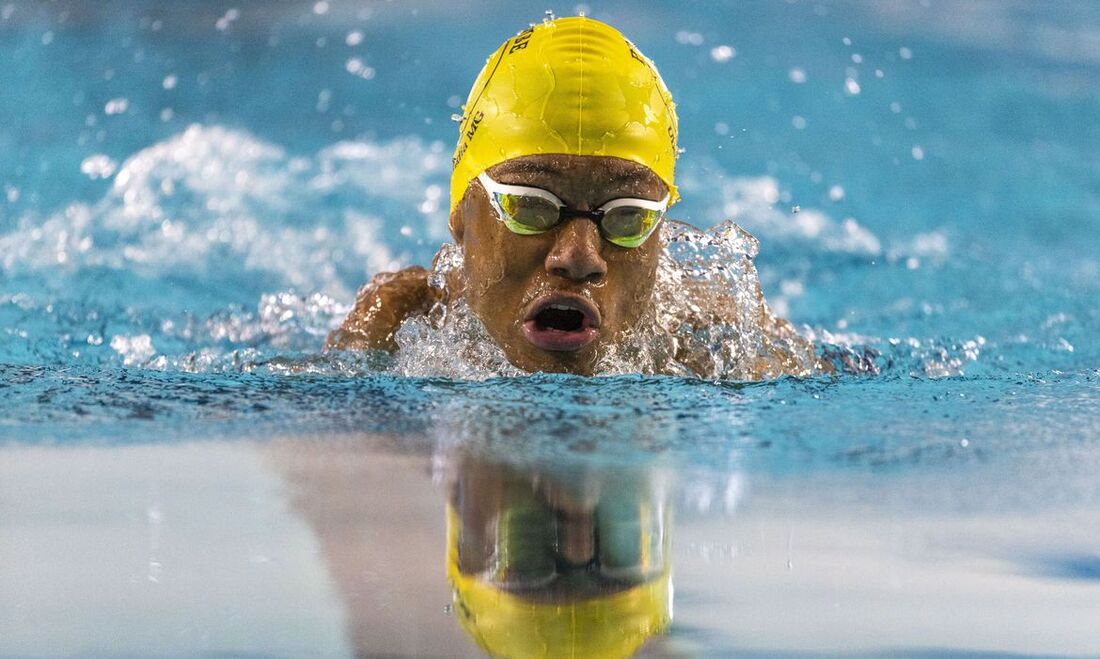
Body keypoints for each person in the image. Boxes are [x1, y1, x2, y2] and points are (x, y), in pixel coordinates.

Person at [327, 16, 824, 378]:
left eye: (628, 217)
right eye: (530, 205)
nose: (580, 259)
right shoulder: (398, 321)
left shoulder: (715, 341)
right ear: (461, 215)